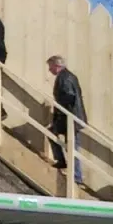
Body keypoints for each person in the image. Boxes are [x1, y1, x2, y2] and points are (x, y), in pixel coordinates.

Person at [47, 55, 86, 184]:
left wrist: (61, 112)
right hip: (69, 117)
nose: (49, 70)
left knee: (73, 147)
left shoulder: (65, 77)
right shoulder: (66, 76)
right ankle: (63, 163)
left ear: (57, 66)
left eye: (50, 66)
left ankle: (76, 175)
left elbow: (69, 97)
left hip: (70, 118)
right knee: (53, 133)